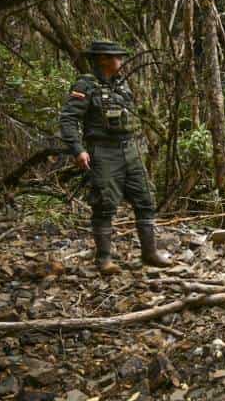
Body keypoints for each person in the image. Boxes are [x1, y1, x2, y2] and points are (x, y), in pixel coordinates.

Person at [60, 40, 171, 274]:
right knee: (104, 203)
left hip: (129, 149)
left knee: (145, 199)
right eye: (116, 57)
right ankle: (104, 259)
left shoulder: (122, 85)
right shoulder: (86, 85)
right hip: (103, 151)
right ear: (103, 60)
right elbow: (69, 119)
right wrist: (78, 150)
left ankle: (150, 253)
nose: (121, 61)